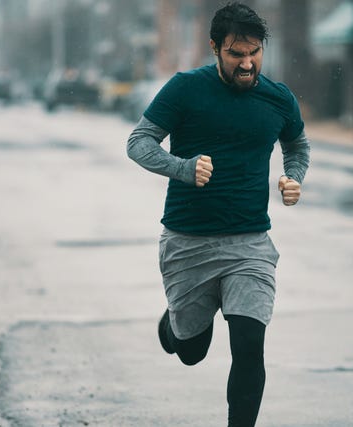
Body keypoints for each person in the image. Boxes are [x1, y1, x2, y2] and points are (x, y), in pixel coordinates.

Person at [126, 2, 310, 426]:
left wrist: (292, 176)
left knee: (249, 344)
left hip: (250, 245)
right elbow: (139, 142)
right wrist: (183, 169)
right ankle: (173, 327)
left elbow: (297, 146)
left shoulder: (278, 98)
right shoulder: (186, 89)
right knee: (191, 351)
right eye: (236, 54)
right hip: (188, 241)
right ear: (214, 48)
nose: (247, 64)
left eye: (254, 53)